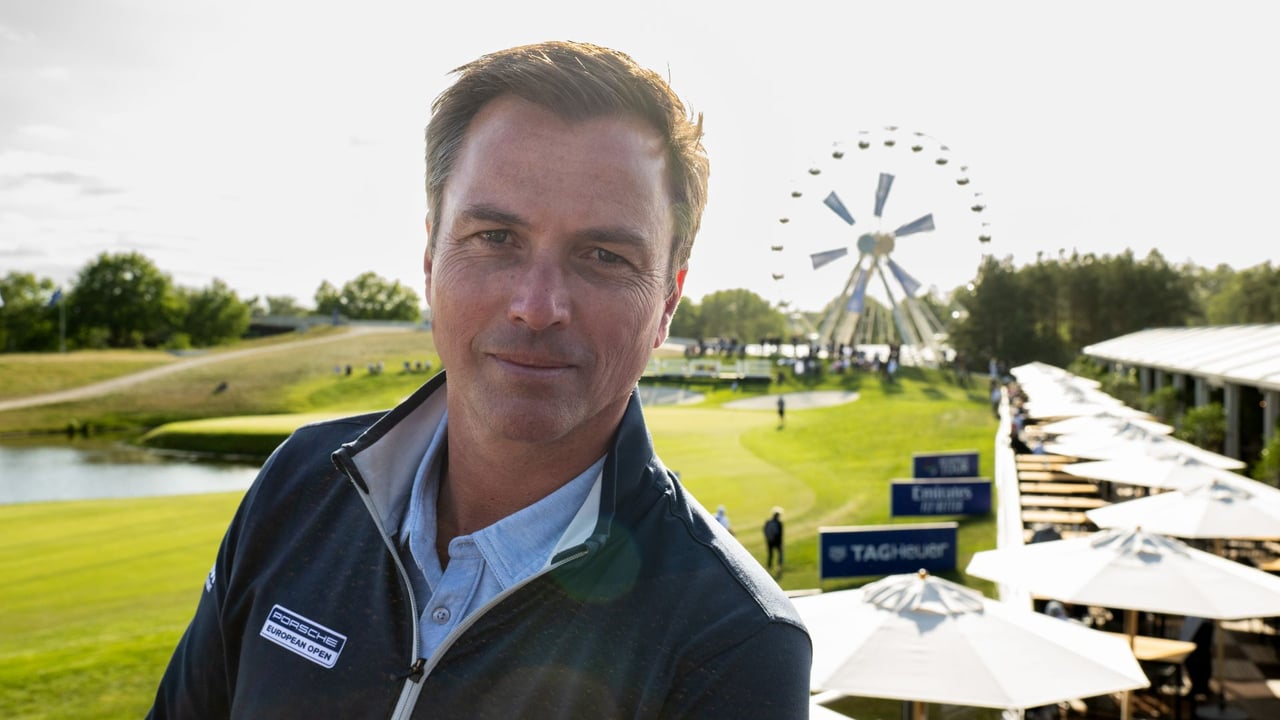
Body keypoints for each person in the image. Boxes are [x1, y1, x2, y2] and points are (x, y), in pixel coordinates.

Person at [147, 41, 811, 719]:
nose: (537, 305)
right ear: (431, 255)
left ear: (667, 302)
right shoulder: (297, 483)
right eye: (496, 237)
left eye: (604, 255)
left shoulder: (738, 644)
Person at [763, 508, 785, 574]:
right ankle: (778, 567)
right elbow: (781, 534)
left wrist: (768, 538)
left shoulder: (768, 522)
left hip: (770, 541)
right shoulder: (779, 523)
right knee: (778, 554)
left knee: (771, 555)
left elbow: (765, 531)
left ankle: (770, 567)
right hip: (777, 541)